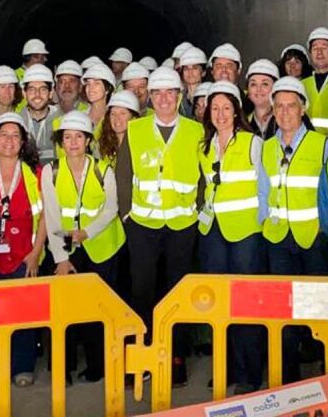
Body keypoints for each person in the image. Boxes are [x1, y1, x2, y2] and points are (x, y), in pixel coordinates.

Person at [116, 68, 200, 385]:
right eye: (157, 93)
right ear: (149, 98)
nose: (164, 99)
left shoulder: (195, 131)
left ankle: (176, 356)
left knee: (177, 292)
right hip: (143, 224)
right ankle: (141, 356)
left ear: (179, 96)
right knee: (142, 290)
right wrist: (127, 215)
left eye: (170, 93)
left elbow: (204, 176)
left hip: (182, 224)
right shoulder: (135, 129)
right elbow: (123, 174)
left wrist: (195, 210)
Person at [261, 77, 328, 384]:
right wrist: (265, 223)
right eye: (279, 106)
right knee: (283, 307)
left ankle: (326, 371)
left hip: (313, 237)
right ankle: (287, 377)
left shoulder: (323, 145)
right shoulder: (266, 147)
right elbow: (263, 192)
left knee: (318, 304)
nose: (284, 112)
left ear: (303, 109)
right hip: (278, 239)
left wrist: (325, 231)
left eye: (291, 106)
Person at [42, 111, 125, 384]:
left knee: (99, 308)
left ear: (88, 140)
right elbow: (52, 215)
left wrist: (87, 232)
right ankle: (62, 367)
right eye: (67, 137)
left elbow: (111, 208)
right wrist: (61, 258)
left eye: (79, 137)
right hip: (68, 246)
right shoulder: (51, 171)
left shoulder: (103, 169)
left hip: (103, 246)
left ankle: (97, 365)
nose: (73, 142)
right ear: (61, 142)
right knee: (65, 309)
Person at [197, 81, 267, 394]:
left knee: (245, 301)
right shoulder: (204, 147)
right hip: (213, 232)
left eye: (226, 108)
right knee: (219, 302)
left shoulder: (253, 143)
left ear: (237, 111)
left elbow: (263, 187)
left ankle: (250, 373)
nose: (221, 114)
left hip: (245, 233)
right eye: (215, 108)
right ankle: (224, 367)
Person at [0, 112, 47, 388]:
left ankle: (22, 366)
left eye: (16, 135)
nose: (9, 140)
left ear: (23, 142)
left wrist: (36, 253)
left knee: (23, 312)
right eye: (4, 135)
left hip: (23, 255)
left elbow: (46, 216)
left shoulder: (35, 174)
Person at [17, 64, 62, 168]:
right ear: (24, 93)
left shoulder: (64, 120)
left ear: (51, 93)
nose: (37, 95)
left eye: (43, 89)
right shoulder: (16, 123)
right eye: (32, 90)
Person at [96, 89, 140, 177]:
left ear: (133, 117)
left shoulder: (140, 145)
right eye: (113, 114)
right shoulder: (102, 145)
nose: (117, 118)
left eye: (123, 113)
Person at [244, 59, 279, 139]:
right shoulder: (242, 123)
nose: (258, 89)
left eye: (265, 84)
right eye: (253, 84)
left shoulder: (286, 119)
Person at [81, 64, 116, 130]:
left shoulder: (115, 119)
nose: (91, 88)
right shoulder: (79, 117)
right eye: (88, 83)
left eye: (97, 83)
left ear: (108, 89)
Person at [177, 47, 207, 118]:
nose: (190, 72)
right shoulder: (178, 98)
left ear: (203, 72)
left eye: (195, 68)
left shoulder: (211, 96)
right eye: (186, 68)